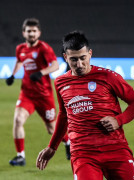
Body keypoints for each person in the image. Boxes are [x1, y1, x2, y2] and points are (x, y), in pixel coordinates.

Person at [36, 31, 134, 180]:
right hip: (83, 154)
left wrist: (118, 120)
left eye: (83, 58)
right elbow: (64, 115)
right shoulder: (60, 82)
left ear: (90, 54)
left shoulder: (108, 76)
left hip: (115, 149)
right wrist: (52, 146)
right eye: (74, 59)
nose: (79, 64)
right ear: (65, 57)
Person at [5, 18, 70, 166]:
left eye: (34, 31)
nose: (32, 34)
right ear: (24, 33)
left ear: (39, 32)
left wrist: (41, 73)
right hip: (27, 94)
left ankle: (68, 142)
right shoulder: (20, 48)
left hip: (44, 95)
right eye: (29, 31)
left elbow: (55, 65)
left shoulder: (44, 48)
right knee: (18, 120)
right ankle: (20, 156)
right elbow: (20, 61)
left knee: (51, 128)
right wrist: (13, 75)